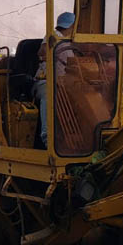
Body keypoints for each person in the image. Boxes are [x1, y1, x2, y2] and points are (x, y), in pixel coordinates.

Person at [33, 12, 76, 149]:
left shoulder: (71, 42)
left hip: (64, 83)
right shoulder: (54, 35)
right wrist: (51, 49)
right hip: (44, 81)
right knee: (49, 92)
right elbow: (42, 51)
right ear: (72, 25)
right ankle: (47, 139)